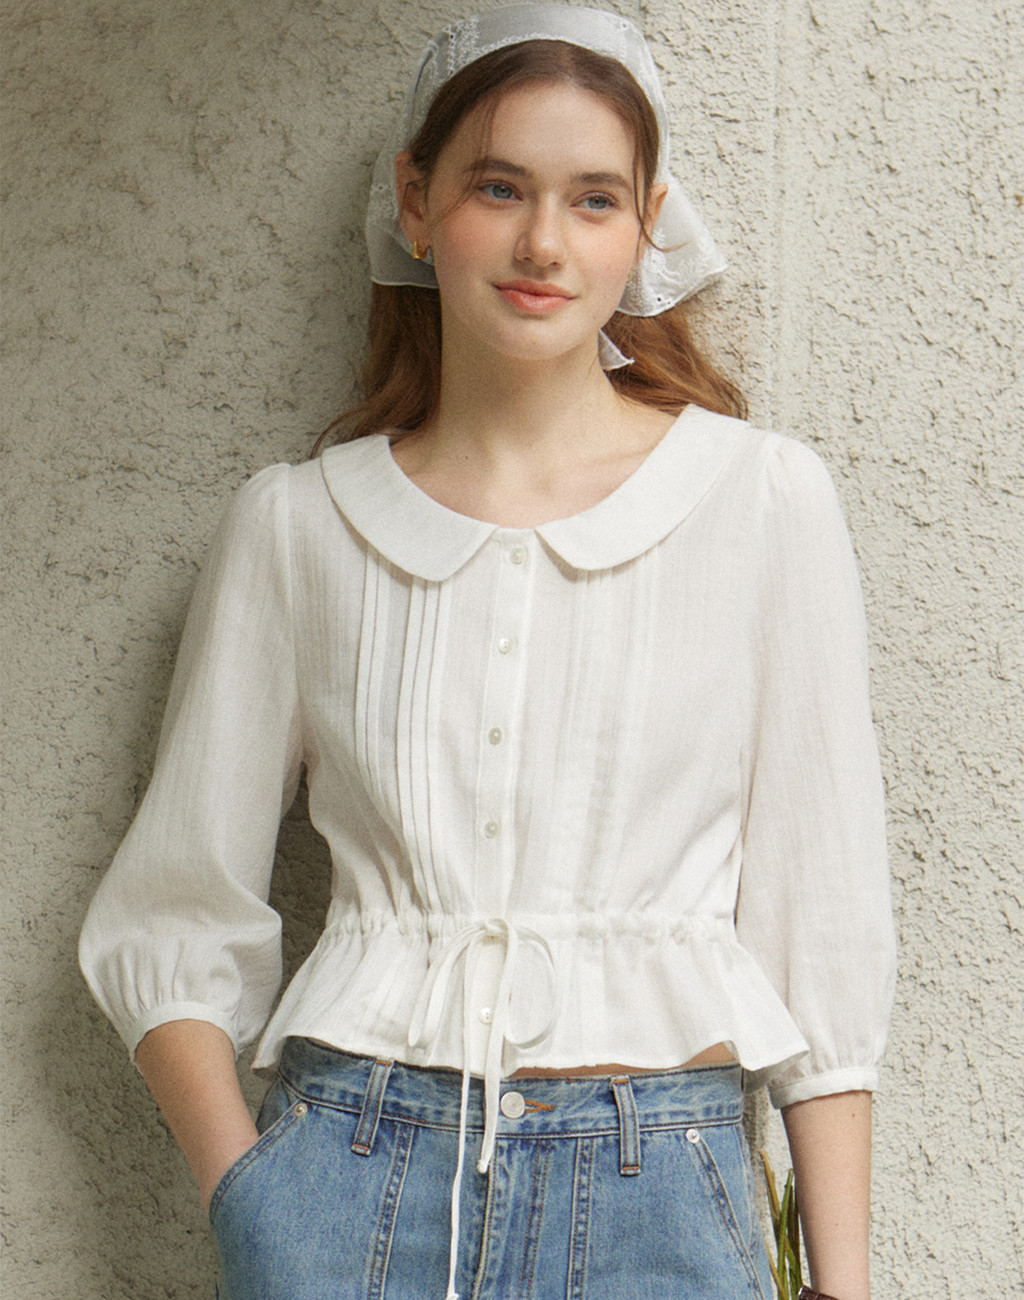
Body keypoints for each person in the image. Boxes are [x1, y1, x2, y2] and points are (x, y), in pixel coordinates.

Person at [79, 6, 895, 1299]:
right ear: (417, 202)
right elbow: (170, 912)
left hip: (660, 1197)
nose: (543, 243)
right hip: (347, 1182)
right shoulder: (298, 528)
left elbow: (822, 927)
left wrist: (844, 1284)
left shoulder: (761, 504)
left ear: (647, 225)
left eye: (593, 199)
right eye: (499, 187)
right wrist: (254, 1206)